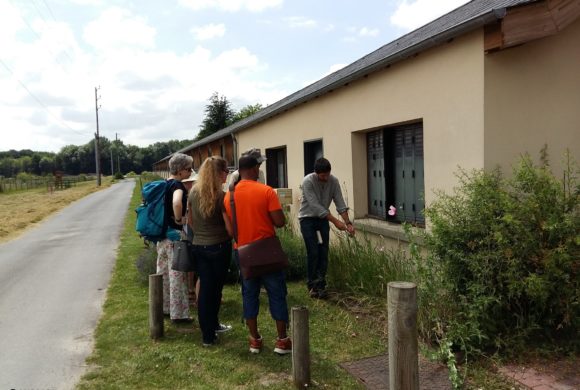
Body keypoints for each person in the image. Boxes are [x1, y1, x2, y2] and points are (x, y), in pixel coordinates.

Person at [224, 154, 292, 355]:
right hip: (266, 251)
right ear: (254, 169)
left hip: (243, 252)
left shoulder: (230, 196)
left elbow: (230, 228)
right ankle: (282, 340)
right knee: (277, 293)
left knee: (249, 294)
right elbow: (279, 222)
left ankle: (254, 340)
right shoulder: (266, 191)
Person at [187, 156, 233, 346]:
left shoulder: (193, 193)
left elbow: (189, 221)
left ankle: (210, 331)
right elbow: (229, 229)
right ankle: (211, 329)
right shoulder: (221, 196)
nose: (227, 175)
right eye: (225, 172)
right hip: (220, 246)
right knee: (215, 290)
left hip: (199, 245)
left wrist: (201, 234)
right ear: (218, 174)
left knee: (206, 289)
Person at [299, 157, 355, 299]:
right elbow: (315, 206)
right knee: (313, 251)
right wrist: (336, 221)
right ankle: (312, 286)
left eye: (327, 174)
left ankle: (321, 286)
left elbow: (340, 202)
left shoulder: (333, 181)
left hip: (323, 220)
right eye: (322, 176)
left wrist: (348, 223)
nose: (325, 178)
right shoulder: (308, 181)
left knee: (323, 251)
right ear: (316, 173)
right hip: (308, 219)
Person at [157, 153, 193, 323]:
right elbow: (177, 203)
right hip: (175, 237)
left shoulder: (164, 184)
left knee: (163, 274)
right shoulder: (177, 186)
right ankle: (179, 314)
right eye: (188, 169)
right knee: (177, 275)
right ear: (179, 170)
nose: (190, 172)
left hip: (162, 237)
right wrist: (180, 219)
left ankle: (164, 308)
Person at [182, 172, 199, 307]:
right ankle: (190, 292)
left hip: (190, 231)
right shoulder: (185, 195)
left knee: (192, 262)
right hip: (189, 233)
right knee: (190, 263)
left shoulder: (188, 194)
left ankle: (192, 291)